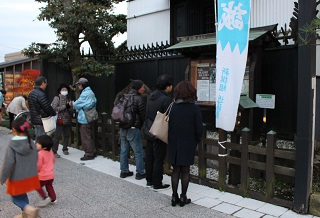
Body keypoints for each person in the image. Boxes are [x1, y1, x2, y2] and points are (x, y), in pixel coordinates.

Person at [168, 81, 203, 207]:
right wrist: (197, 140)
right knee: (186, 170)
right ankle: (183, 197)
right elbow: (199, 129)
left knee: (175, 169)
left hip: (173, 141)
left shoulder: (173, 106)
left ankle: (173, 196)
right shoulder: (194, 108)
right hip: (188, 142)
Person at [0, 117, 40, 218]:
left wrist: (2, 178)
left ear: (14, 130)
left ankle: (28, 209)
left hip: (17, 177)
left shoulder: (13, 143)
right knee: (22, 194)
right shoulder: (30, 141)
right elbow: (35, 157)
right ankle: (25, 214)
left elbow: (8, 163)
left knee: (16, 198)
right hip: (30, 175)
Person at [144, 75, 173, 190]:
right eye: (171, 85)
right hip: (159, 131)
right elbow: (168, 117)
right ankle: (157, 183)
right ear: (167, 87)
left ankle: (149, 180)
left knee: (149, 156)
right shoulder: (166, 99)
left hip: (149, 129)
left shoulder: (151, 96)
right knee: (158, 158)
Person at [118, 79, 146, 180]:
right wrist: (143, 126)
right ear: (138, 88)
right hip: (133, 128)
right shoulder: (138, 99)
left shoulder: (124, 96)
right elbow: (143, 115)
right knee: (138, 152)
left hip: (123, 126)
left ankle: (124, 171)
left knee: (124, 150)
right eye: (142, 87)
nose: (144, 89)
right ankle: (140, 172)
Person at [73, 77, 97, 161]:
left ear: (82, 85)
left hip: (84, 118)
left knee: (85, 136)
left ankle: (89, 154)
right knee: (89, 135)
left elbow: (76, 104)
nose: (78, 86)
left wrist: (77, 105)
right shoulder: (90, 92)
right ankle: (92, 151)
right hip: (89, 116)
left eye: (79, 84)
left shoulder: (85, 94)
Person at [51, 83, 73, 158]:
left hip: (68, 119)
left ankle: (65, 148)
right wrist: (65, 106)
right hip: (59, 119)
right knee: (57, 136)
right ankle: (54, 151)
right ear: (60, 91)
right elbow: (54, 108)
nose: (64, 91)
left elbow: (72, 111)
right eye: (63, 89)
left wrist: (70, 107)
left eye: (66, 90)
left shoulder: (68, 99)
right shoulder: (57, 98)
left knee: (67, 135)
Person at [35, 135, 57, 207]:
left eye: (38, 143)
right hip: (51, 175)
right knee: (49, 186)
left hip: (42, 176)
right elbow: (53, 160)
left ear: (44, 147)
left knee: (37, 186)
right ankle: (53, 198)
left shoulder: (40, 154)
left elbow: (39, 165)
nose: (36, 144)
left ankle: (45, 198)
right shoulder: (51, 151)